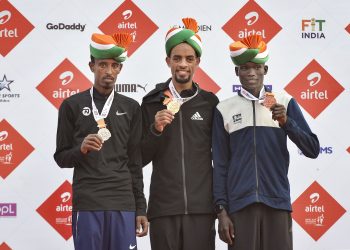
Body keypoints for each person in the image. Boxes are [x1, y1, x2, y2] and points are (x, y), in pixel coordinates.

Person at [212, 34, 320, 250]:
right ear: (237, 71)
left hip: (277, 202)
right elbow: (220, 165)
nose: (251, 72)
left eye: (257, 67)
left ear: (265, 70)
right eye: (245, 67)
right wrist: (222, 210)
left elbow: (312, 149)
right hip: (240, 205)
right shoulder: (223, 109)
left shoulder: (284, 102)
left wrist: (287, 122)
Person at [54, 32, 148, 250]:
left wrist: (141, 208)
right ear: (91, 66)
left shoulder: (131, 107)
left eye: (114, 66)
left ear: (120, 69)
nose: (108, 71)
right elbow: (61, 157)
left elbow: (135, 162)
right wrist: (81, 149)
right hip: (88, 202)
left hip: (122, 201)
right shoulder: (72, 105)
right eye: (103, 65)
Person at [141, 17, 219, 250]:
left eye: (189, 59)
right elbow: (139, 157)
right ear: (168, 61)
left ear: (198, 62)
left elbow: (222, 156)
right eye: (177, 58)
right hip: (164, 209)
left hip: (202, 210)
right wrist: (155, 129)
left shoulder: (210, 103)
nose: (183, 64)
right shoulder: (151, 102)